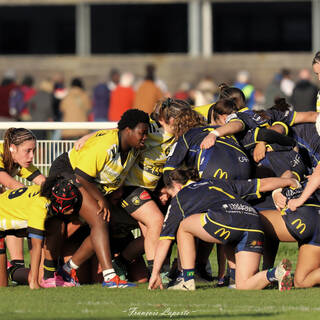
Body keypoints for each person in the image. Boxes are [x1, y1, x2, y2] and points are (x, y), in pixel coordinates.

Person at [41, 109, 149, 287]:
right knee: (99, 219)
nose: (145, 137)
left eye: (146, 132)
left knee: (103, 221)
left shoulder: (133, 146)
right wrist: (103, 200)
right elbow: (81, 176)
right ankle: (109, 277)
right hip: (67, 173)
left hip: (86, 182)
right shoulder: (107, 144)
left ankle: (68, 270)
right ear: (127, 130)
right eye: (142, 133)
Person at [149, 168, 298, 291]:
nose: (170, 198)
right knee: (243, 285)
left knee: (183, 227)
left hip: (226, 220)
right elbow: (262, 184)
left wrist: (155, 273)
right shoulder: (218, 182)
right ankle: (276, 273)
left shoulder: (180, 197)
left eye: (169, 194)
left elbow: (165, 240)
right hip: (253, 220)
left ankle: (186, 281)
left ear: (177, 186)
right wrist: (291, 181)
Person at [0, 128, 45, 284]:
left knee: (14, 211)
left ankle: (17, 268)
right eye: (28, 151)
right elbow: (11, 184)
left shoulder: (19, 161)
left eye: (34, 151)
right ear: (12, 148)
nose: (32, 156)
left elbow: (43, 182)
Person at [259, 180, 320, 288]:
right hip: (314, 222)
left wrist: (277, 192)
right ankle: (267, 272)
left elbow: (289, 173)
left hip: (307, 214)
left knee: (250, 219)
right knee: (301, 282)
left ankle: (237, 276)